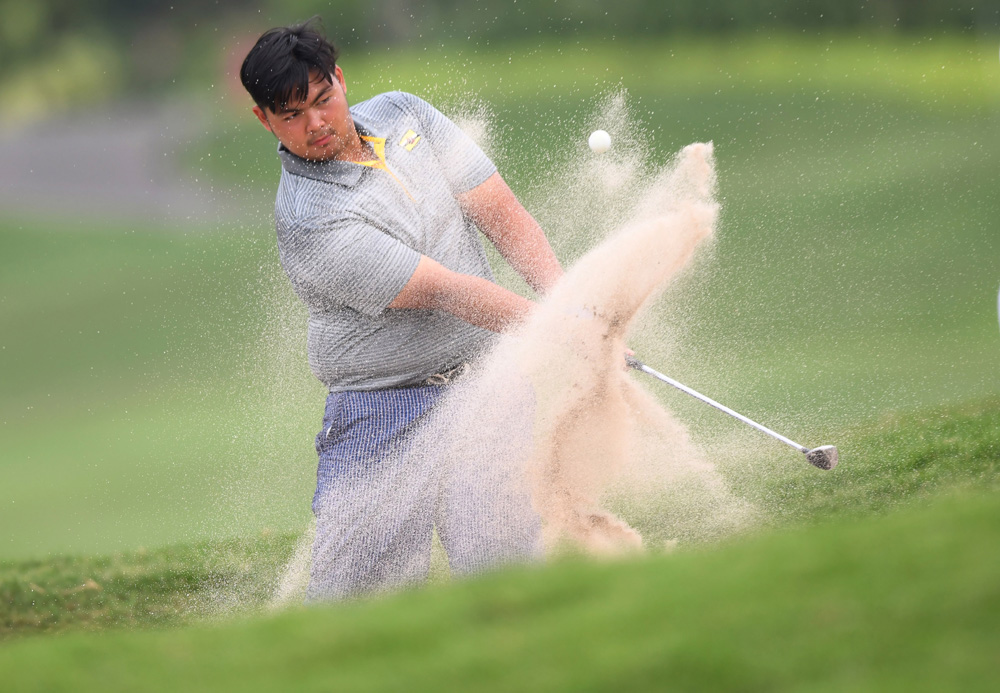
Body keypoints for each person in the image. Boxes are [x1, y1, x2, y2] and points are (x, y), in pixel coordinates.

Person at [239, 19, 563, 601]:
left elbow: (501, 213)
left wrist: (570, 304)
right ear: (264, 119)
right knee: (359, 612)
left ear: (339, 80)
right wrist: (565, 332)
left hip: (487, 391)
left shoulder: (404, 113)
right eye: (290, 115)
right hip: (383, 414)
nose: (315, 124)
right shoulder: (309, 219)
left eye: (322, 100)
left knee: (509, 589)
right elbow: (446, 290)